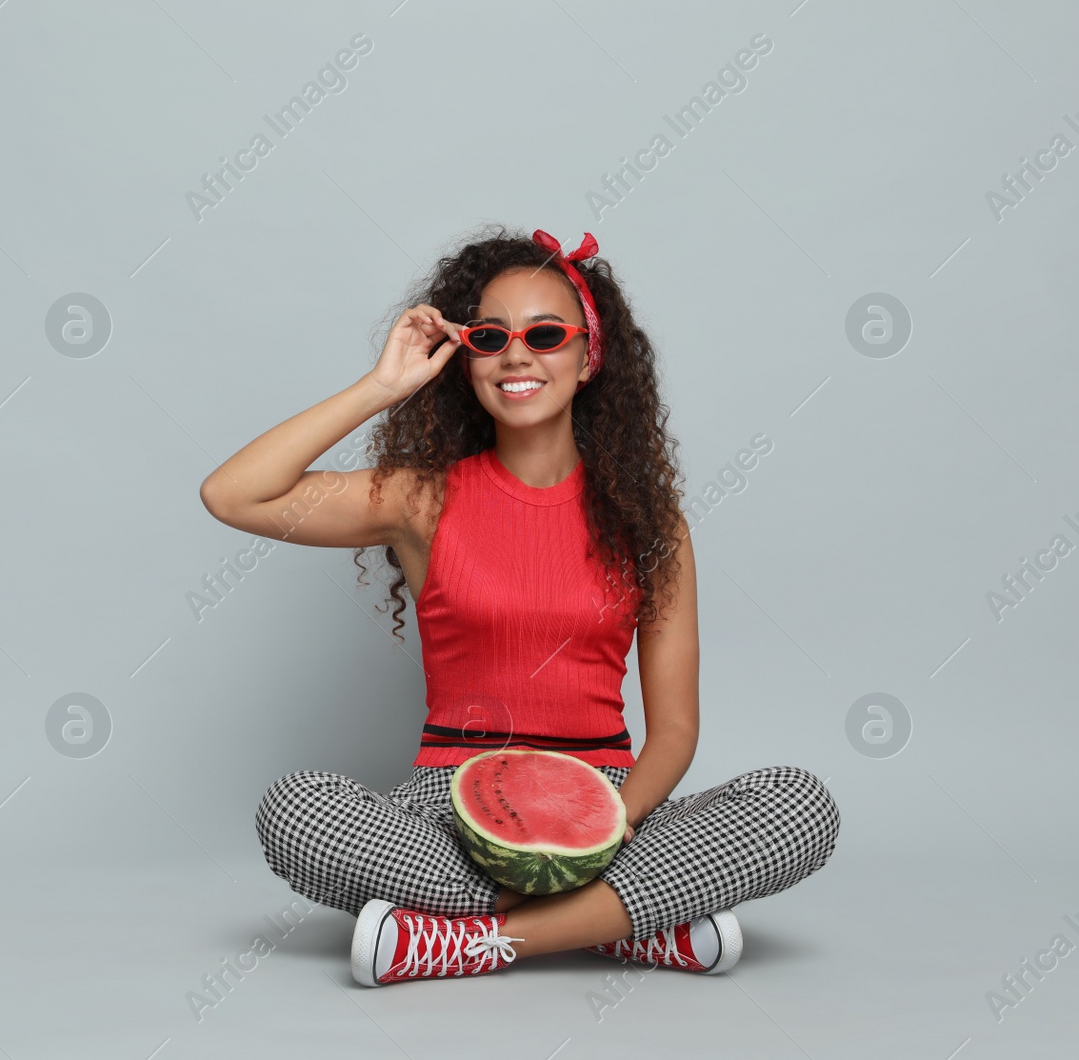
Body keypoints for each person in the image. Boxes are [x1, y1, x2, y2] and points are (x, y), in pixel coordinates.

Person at [198, 224, 840, 988]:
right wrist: (383, 385)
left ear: (588, 354)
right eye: (489, 335)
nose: (516, 354)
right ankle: (626, 926)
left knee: (801, 805)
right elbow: (233, 494)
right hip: (450, 804)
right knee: (296, 810)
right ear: (465, 356)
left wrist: (602, 832)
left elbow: (674, 728)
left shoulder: (650, 523)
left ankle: (472, 940)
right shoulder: (421, 497)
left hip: (610, 801)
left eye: (544, 333)